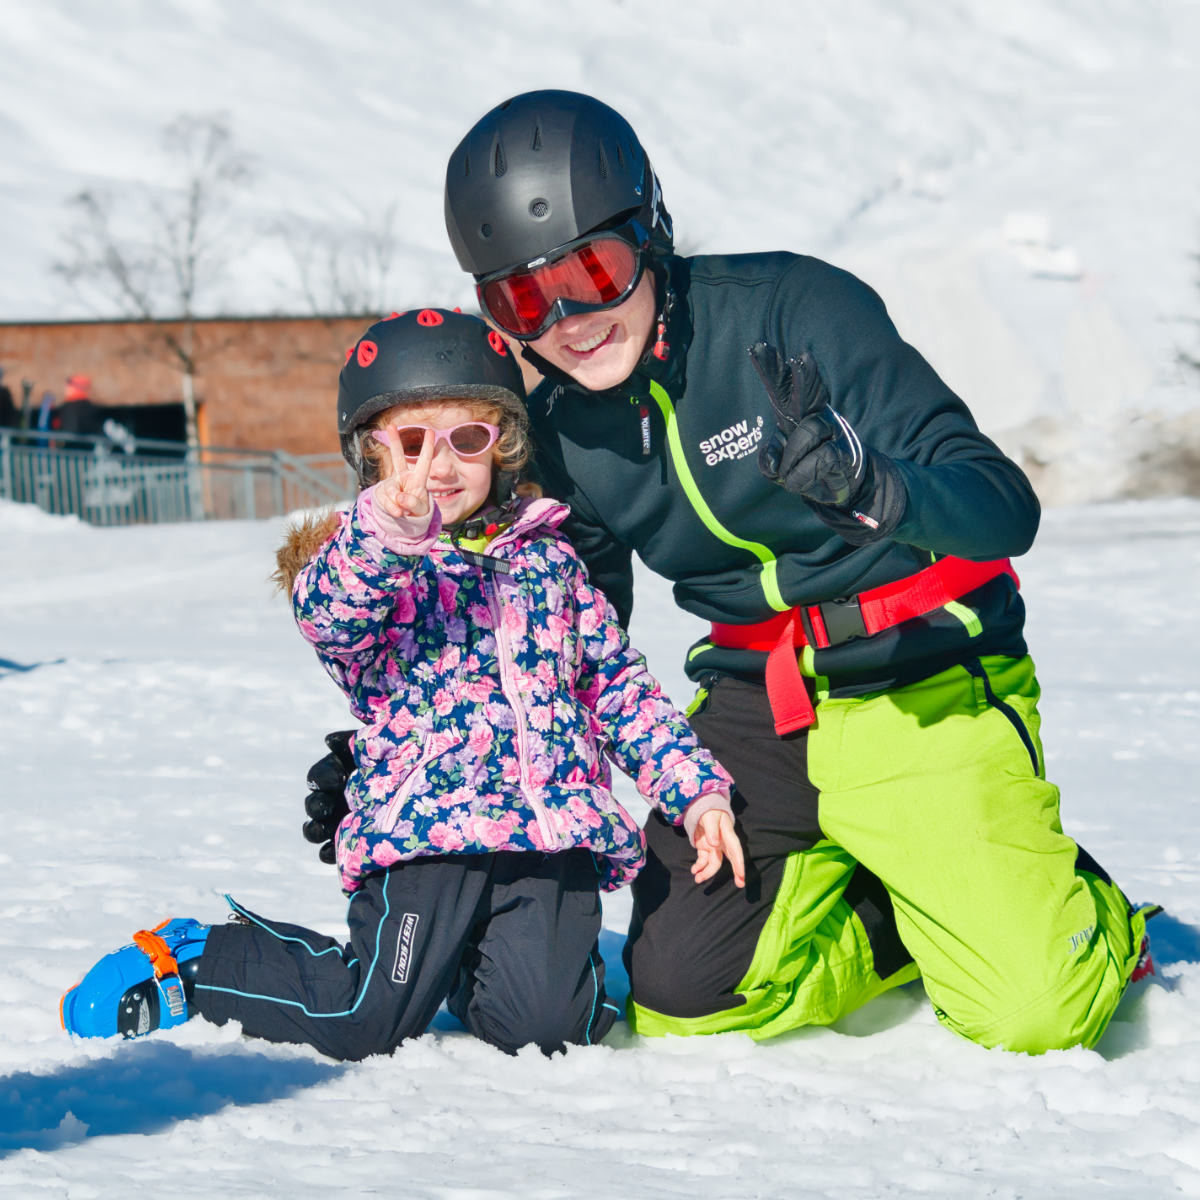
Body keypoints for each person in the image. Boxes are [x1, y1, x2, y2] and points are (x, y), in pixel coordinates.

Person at [421, 89, 1148, 1054]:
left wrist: (876, 486)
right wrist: (428, 739)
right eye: (521, 296)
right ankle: (897, 909)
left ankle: (1073, 908)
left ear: (651, 230)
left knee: (1032, 1013)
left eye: (592, 268)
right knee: (680, 992)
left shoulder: (796, 309)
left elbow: (1003, 507)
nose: (568, 319)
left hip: (921, 676)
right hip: (760, 704)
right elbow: (574, 637)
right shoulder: (565, 433)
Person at [60, 308, 740, 1061]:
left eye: (468, 440)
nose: (438, 468)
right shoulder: (383, 576)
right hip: (429, 840)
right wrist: (384, 538)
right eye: (412, 444)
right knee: (367, 1018)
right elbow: (331, 619)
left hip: (549, 841)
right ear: (373, 457)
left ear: (502, 446)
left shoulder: (553, 566)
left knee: (549, 1033)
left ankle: (470, 968)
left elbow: (619, 690)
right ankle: (195, 960)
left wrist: (693, 788)